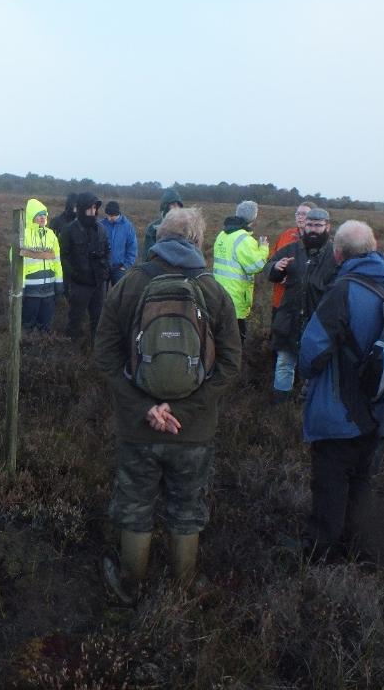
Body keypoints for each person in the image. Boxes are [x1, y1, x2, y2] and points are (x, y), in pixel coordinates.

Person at [94, 207, 242, 603]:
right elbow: (231, 364)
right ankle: (184, 588)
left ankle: (129, 585)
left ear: (159, 238)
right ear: (197, 240)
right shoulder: (214, 291)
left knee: (135, 504)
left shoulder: (128, 285)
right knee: (187, 507)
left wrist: (144, 408)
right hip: (193, 430)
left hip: (137, 428)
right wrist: (185, 412)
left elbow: (105, 356)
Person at [297, 220, 384, 563]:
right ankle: (359, 548)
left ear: (337, 254)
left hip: (339, 408)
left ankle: (322, 553)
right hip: (378, 406)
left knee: (331, 482)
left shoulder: (342, 290)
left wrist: (305, 374)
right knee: (362, 480)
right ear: (374, 246)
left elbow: (312, 353)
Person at [265, 207, 338, 402]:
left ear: (327, 227)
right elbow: (269, 268)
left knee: (316, 364)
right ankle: (281, 405)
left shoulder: (335, 254)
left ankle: (309, 403)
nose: (313, 229)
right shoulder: (291, 249)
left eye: (318, 225)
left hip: (319, 322)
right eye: (310, 225)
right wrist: (275, 267)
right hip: (289, 318)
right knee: (284, 363)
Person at [212, 200, 270, 343]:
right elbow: (256, 266)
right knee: (235, 343)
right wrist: (263, 248)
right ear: (253, 218)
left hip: (217, 294)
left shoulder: (222, 235)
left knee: (218, 338)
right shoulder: (244, 239)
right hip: (235, 299)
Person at [58, 192, 110, 342]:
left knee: (98, 319)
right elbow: (62, 256)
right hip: (79, 285)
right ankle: (71, 348)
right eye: (89, 208)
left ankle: (95, 349)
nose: (93, 212)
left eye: (95, 208)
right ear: (82, 209)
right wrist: (74, 275)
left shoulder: (100, 229)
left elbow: (107, 250)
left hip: (98, 283)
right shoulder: (69, 230)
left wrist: (105, 269)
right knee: (75, 319)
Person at [17, 198, 64, 333]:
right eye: (39, 215)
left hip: (49, 289)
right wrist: (21, 285)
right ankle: (27, 344)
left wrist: (59, 283)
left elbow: (57, 261)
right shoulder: (23, 235)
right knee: (28, 324)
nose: (43, 218)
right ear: (31, 217)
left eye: (44, 214)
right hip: (31, 289)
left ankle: (43, 344)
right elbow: (18, 262)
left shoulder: (51, 235)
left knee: (46, 324)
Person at [270, 202, 313, 314]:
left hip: (306, 304)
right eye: (297, 213)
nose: (300, 217)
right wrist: (277, 271)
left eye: (304, 214)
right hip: (280, 300)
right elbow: (271, 260)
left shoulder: (319, 240)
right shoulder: (286, 235)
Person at [99, 200, 138, 288]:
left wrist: (126, 265)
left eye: (111, 216)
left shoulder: (128, 226)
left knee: (118, 294)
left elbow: (132, 247)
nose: (109, 218)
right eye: (107, 215)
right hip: (103, 267)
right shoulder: (101, 225)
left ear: (117, 214)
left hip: (119, 269)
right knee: (100, 294)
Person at [141, 188, 184, 258]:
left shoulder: (185, 227)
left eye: (178, 205)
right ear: (165, 206)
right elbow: (148, 254)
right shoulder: (153, 228)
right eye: (173, 204)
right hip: (159, 263)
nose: (176, 207)